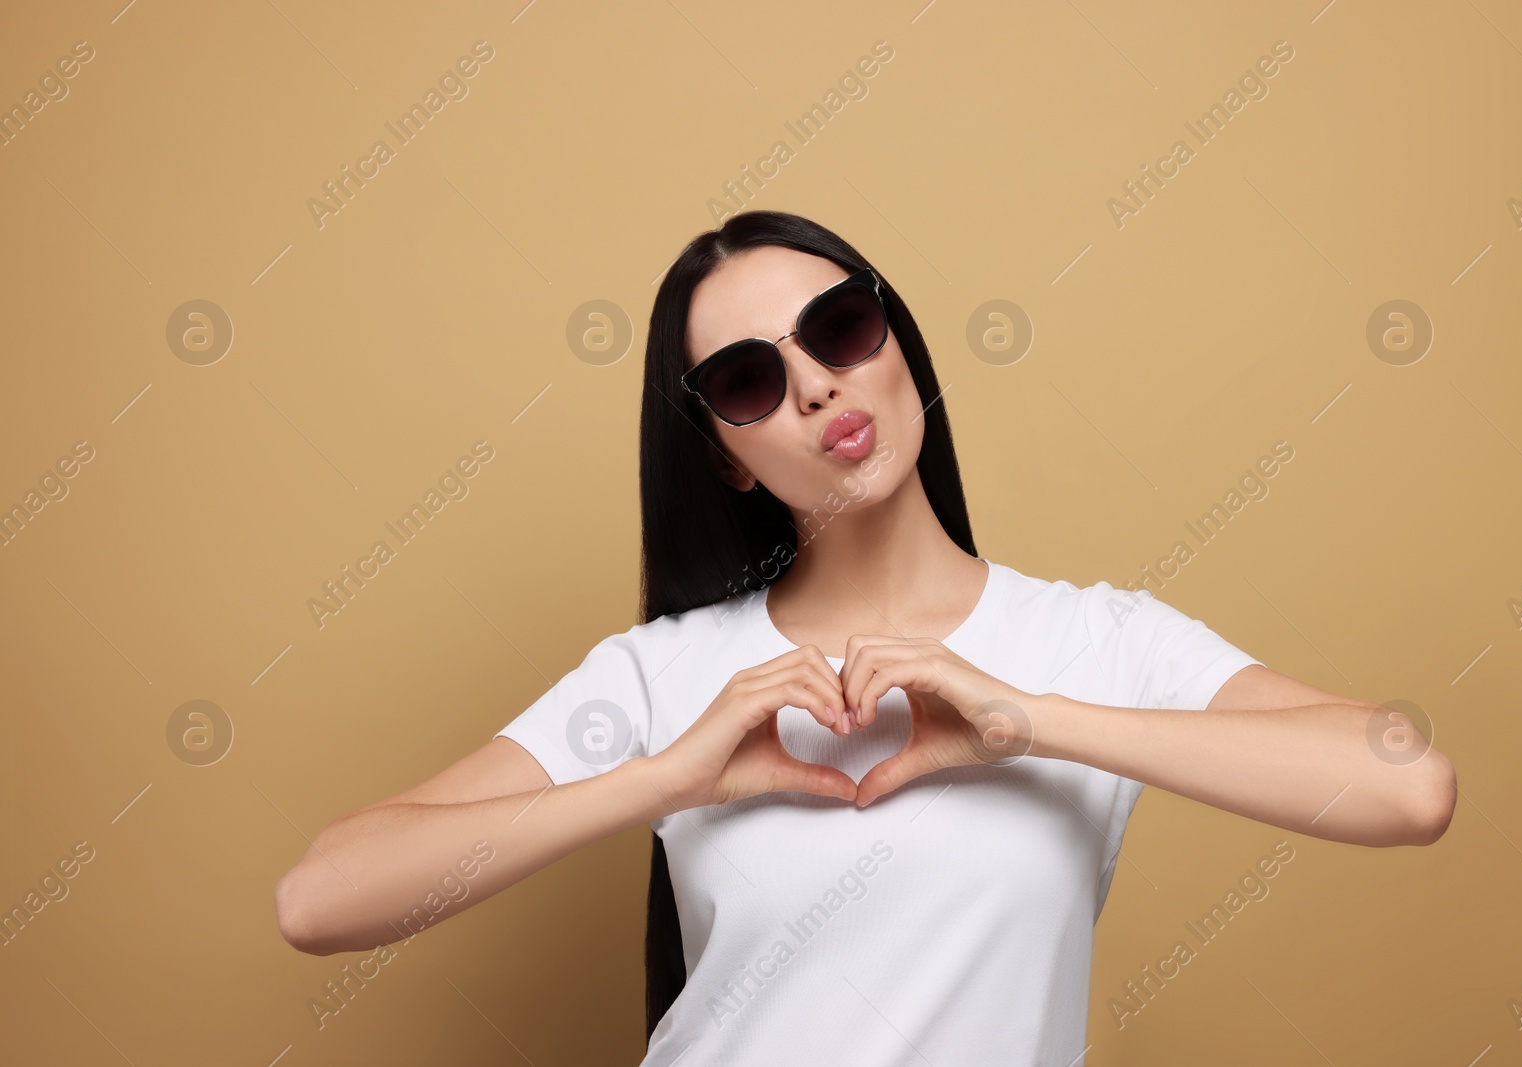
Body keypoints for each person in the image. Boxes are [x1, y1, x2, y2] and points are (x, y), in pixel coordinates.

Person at [273, 210, 1457, 1064]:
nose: (814, 388)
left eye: (838, 327)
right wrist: (662, 777)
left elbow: (1407, 786)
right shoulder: (663, 673)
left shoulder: (1094, 641)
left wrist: (1030, 719)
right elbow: (321, 898)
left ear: (896, 346)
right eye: (747, 380)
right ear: (724, 457)